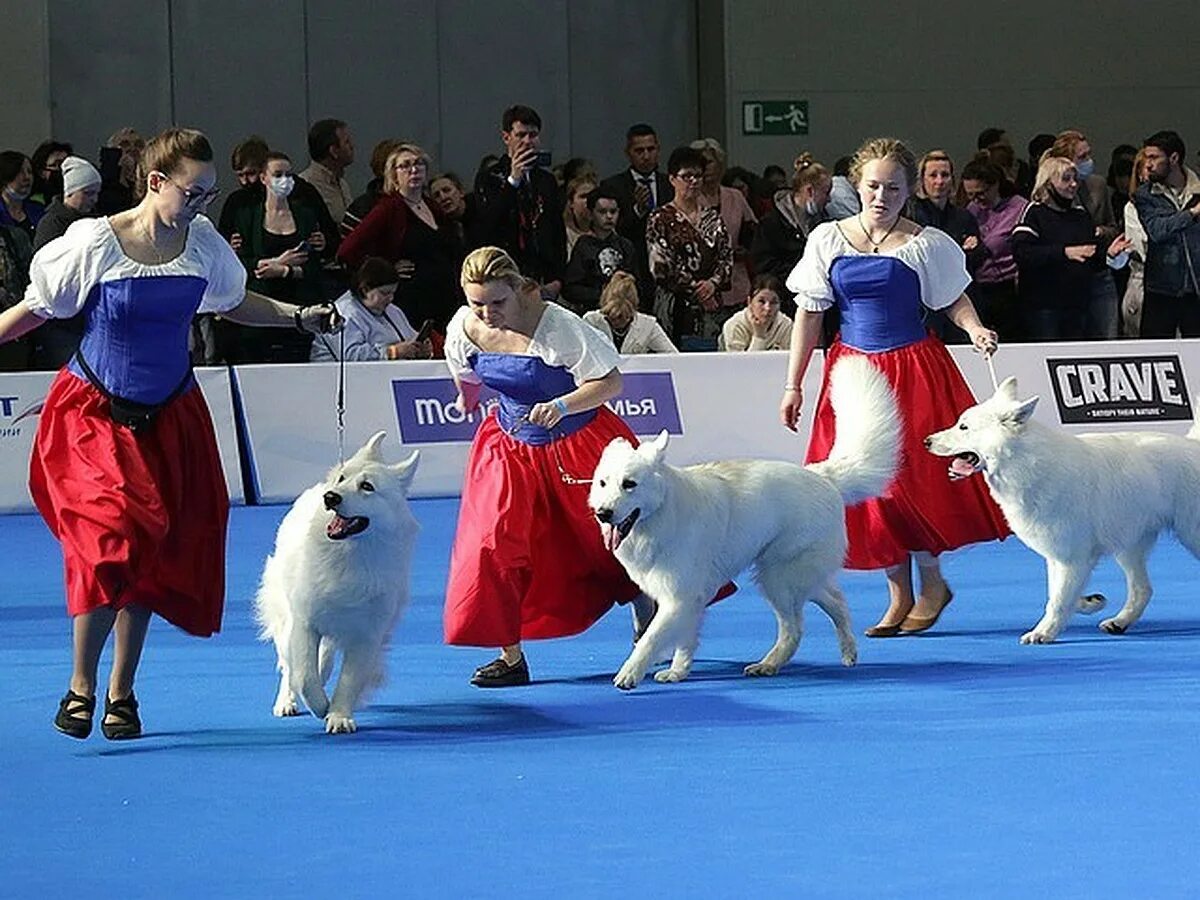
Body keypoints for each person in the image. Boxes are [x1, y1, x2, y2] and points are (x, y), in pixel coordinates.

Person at [0, 127, 340, 741]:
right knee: (111, 543)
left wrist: (296, 314)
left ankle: (121, 693)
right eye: (193, 192)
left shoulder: (202, 242)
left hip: (172, 417)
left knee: (155, 552)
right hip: (94, 416)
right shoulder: (94, 243)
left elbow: (233, 303)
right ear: (156, 182)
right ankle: (80, 684)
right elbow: (37, 310)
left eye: (209, 194)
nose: (202, 205)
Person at [780, 137, 1010, 638]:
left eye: (893, 188)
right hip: (853, 377)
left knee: (917, 483)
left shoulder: (927, 244)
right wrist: (793, 384)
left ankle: (931, 585)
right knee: (868, 487)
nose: (881, 196)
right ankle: (897, 592)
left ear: (909, 192)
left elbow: (955, 300)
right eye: (873, 186)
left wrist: (974, 330)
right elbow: (809, 313)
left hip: (915, 372)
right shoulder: (826, 240)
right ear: (856, 185)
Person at [443, 246, 650, 686]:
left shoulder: (559, 326)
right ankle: (510, 656)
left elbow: (610, 381)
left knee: (609, 540)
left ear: (519, 290)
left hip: (577, 443)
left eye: (497, 302)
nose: (486, 312)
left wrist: (561, 404)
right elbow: (466, 372)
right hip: (507, 447)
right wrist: (467, 398)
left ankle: (647, 609)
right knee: (493, 547)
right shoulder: (464, 326)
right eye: (476, 302)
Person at [337, 143, 464, 330]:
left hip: (445, 298)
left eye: (419, 163)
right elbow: (347, 251)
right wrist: (386, 268)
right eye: (405, 166)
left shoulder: (432, 206)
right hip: (412, 301)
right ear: (393, 175)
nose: (413, 169)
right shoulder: (387, 208)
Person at [223, 151, 331, 362]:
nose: (285, 180)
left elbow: (315, 267)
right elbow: (239, 264)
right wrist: (274, 263)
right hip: (259, 317)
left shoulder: (305, 215)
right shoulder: (246, 216)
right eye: (278, 174)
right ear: (264, 178)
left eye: (289, 175)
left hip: (299, 312)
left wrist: (284, 270)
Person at [1012, 156, 1130, 341]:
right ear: (1048, 182)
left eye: (1075, 179)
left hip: (1077, 305)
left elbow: (1089, 252)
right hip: (1044, 306)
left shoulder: (1080, 215)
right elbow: (1023, 253)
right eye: (1066, 179)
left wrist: (1108, 254)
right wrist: (1064, 252)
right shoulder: (1034, 212)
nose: (1073, 184)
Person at [473, 105, 567, 297]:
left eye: (533, 135)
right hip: (505, 271)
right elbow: (488, 224)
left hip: (542, 274)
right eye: (521, 135)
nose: (527, 141)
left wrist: (558, 278)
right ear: (506, 137)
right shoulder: (489, 177)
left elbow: (556, 229)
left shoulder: (546, 180)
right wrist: (513, 181)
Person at [646, 146, 733, 346]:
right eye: (686, 176)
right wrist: (697, 290)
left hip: (711, 308)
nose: (693, 182)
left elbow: (726, 257)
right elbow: (660, 266)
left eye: (698, 176)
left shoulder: (713, 217)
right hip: (674, 307)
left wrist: (712, 283)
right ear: (672, 179)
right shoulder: (660, 218)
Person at [31, 155, 102, 369]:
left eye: (96, 194)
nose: (94, 199)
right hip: (60, 321)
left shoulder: (94, 222)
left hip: (85, 317)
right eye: (88, 193)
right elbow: (45, 270)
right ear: (70, 192)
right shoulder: (52, 224)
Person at [1131, 130, 1200, 338]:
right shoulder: (1145, 195)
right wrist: (1193, 213)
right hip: (1162, 287)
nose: (1148, 164)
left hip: (1196, 286)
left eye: (1154, 157)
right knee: (1154, 351)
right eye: (1146, 158)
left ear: (1174, 158)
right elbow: (1157, 230)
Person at [750, 152, 832, 315]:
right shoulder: (770, 224)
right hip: (782, 305)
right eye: (826, 192)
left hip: (819, 304)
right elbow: (763, 266)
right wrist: (803, 274)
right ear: (810, 191)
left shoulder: (825, 223)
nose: (829, 199)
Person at [311, 257, 433, 362]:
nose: (390, 298)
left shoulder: (393, 311)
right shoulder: (342, 314)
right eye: (384, 293)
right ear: (365, 290)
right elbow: (350, 356)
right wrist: (393, 352)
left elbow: (409, 337)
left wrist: (420, 349)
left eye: (393, 293)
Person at [961, 158, 1028, 341]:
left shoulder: (1019, 207)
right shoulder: (972, 209)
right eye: (970, 195)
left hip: (1008, 289)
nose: (975, 199)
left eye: (980, 193)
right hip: (979, 286)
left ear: (995, 185)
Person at [691, 138, 757, 322]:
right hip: (704, 286)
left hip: (738, 280)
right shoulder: (690, 199)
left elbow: (753, 231)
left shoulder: (735, 196)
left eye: (710, 162)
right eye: (700, 163)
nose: (706, 168)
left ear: (719, 164)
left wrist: (746, 248)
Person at [562, 186, 638, 314]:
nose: (609, 216)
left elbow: (637, 282)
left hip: (624, 311)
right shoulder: (583, 246)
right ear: (591, 214)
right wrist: (604, 294)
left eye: (613, 211)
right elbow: (571, 289)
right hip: (592, 311)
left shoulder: (626, 246)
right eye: (602, 212)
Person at [583, 271, 676, 353]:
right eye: (612, 318)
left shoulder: (648, 325)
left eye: (622, 317)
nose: (617, 322)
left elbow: (674, 357)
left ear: (633, 312)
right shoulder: (591, 321)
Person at [299, 118, 355, 224]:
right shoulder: (306, 185)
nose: (352, 146)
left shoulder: (342, 184)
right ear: (334, 151)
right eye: (346, 142)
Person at [721, 274, 793, 351]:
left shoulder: (786, 326)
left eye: (774, 302)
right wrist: (759, 336)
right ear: (749, 302)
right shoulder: (735, 326)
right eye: (761, 301)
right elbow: (742, 363)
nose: (768, 308)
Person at [562, 175, 597, 258]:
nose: (588, 200)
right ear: (571, 203)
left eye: (592, 195)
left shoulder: (607, 232)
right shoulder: (562, 235)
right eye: (583, 196)